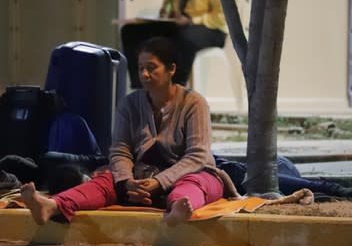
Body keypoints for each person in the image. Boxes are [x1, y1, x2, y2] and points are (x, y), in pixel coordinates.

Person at [20, 37, 240, 226]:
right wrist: (127, 182)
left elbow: (197, 156)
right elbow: (120, 150)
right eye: (140, 67)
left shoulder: (194, 103)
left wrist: (160, 182)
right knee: (106, 180)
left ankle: (177, 211)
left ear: (171, 69)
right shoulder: (129, 104)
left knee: (193, 185)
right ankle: (53, 205)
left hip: (190, 174)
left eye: (152, 67)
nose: (144, 74)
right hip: (142, 178)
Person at [121, 0, 227, 88]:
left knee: (184, 38)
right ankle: (140, 86)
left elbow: (221, 16)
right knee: (130, 31)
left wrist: (191, 20)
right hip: (179, 24)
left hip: (211, 28)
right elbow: (168, 1)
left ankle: (176, 89)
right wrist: (165, 11)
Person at [215, 156, 352, 201]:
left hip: (261, 169)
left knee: (308, 185)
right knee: (299, 188)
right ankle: (339, 190)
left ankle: (347, 191)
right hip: (257, 176)